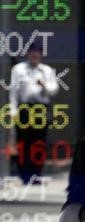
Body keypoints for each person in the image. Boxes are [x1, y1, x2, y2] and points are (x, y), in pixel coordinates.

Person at [9, 44, 59, 184]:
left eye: (37, 53)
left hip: (40, 108)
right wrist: (13, 109)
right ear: (28, 54)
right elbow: (14, 91)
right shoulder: (18, 69)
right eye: (32, 53)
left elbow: (54, 89)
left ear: (41, 55)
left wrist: (44, 85)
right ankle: (24, 173)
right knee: (23, 141)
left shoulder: (46, 70)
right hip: (24, 108)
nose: (34, 56)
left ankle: (36, 173)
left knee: (38, 142)